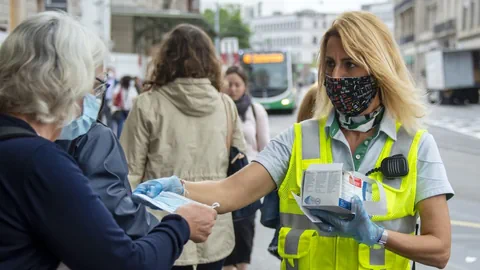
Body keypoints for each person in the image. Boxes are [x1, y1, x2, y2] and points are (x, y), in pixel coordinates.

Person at [134, 11, 454, 270]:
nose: (337, 76)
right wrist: (178, 187)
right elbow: (230, 192)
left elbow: (439, 250)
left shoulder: (416, 146)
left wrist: (378, 236)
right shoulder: (298, 139)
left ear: (379, 68)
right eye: (329, 64)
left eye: (350, 63)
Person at [0, 12, 216, 270]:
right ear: (67, 82)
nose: (95, 98)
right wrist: (180, 225)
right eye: (97, 85)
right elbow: (126, 264)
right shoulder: (40, 162)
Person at [120, 24, 246, 270]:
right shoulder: (226, 105)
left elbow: (128, 175)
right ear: (210, 60)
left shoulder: (147, 104)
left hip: (163, 232)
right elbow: (239, 171)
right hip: (214, 229)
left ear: (165, 59)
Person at [55, 77, 159, 239]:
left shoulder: (25, 133)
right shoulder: (95, 136)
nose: (96, 95)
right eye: (96, 86)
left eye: (101, 88)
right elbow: (113, 203)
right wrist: (167, 231)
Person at [222, 66, 270, 270]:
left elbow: (265, 147)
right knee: (223, 237)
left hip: (249, 181)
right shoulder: (218, 109)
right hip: (222, 181)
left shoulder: (255, 111)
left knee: (244, 232)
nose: (233, 89)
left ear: (245, 86)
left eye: (237, 84)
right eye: (229, 84)